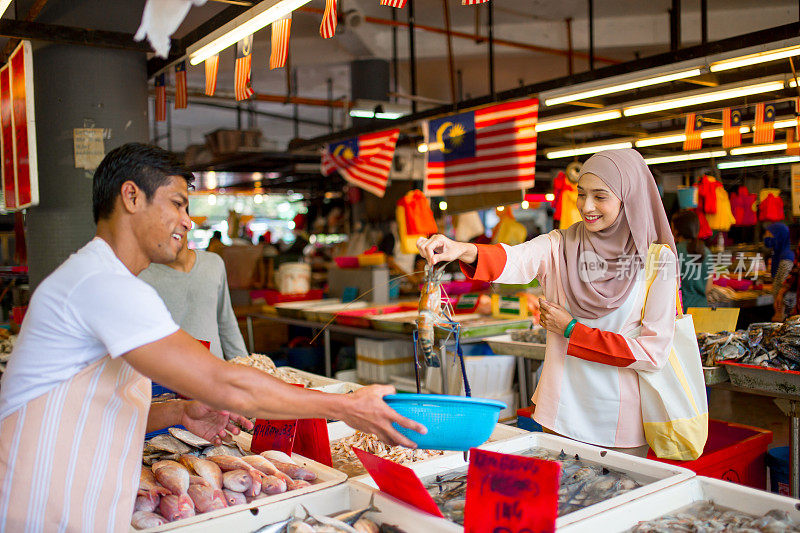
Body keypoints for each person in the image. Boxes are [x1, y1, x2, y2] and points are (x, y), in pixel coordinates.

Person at [0, 143, 424, 531]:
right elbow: (226, 383)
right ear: (131, 197)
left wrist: (178, 414)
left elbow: (95, 409)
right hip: (40, 514)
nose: (188, 220)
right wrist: (345, 406)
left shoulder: (106, 280)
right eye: (177, 203)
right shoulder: (101, 283)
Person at [418, 149, 677, 454]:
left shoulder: (658, 261)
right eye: (581, 194)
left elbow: (652, 354)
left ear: (628, 197)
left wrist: (572, 330)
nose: (587, 206)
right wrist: (460, 249)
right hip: (559, 413)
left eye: (600, 196)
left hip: (620, 423)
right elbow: (514, 258)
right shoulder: (560, 245)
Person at [139, 233, 249, 360]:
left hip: (215, 373)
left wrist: (245, 367)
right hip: (166, 375)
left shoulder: (213, 264)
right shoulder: (141, 274)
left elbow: (226, 322)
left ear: (187, 222)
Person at [671, 209, 713, 312]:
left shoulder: (674, 252)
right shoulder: (706, 251)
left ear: (676, 230)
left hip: (682, 313)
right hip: (702, 311)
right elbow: (708, 288)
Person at [765, 222, 795, 322]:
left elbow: (786, 287)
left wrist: (780, 312)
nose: (766, 237)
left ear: (779, 236)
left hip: (785, 312)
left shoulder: (787, 257)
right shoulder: (777, 255)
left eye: (770, 235)